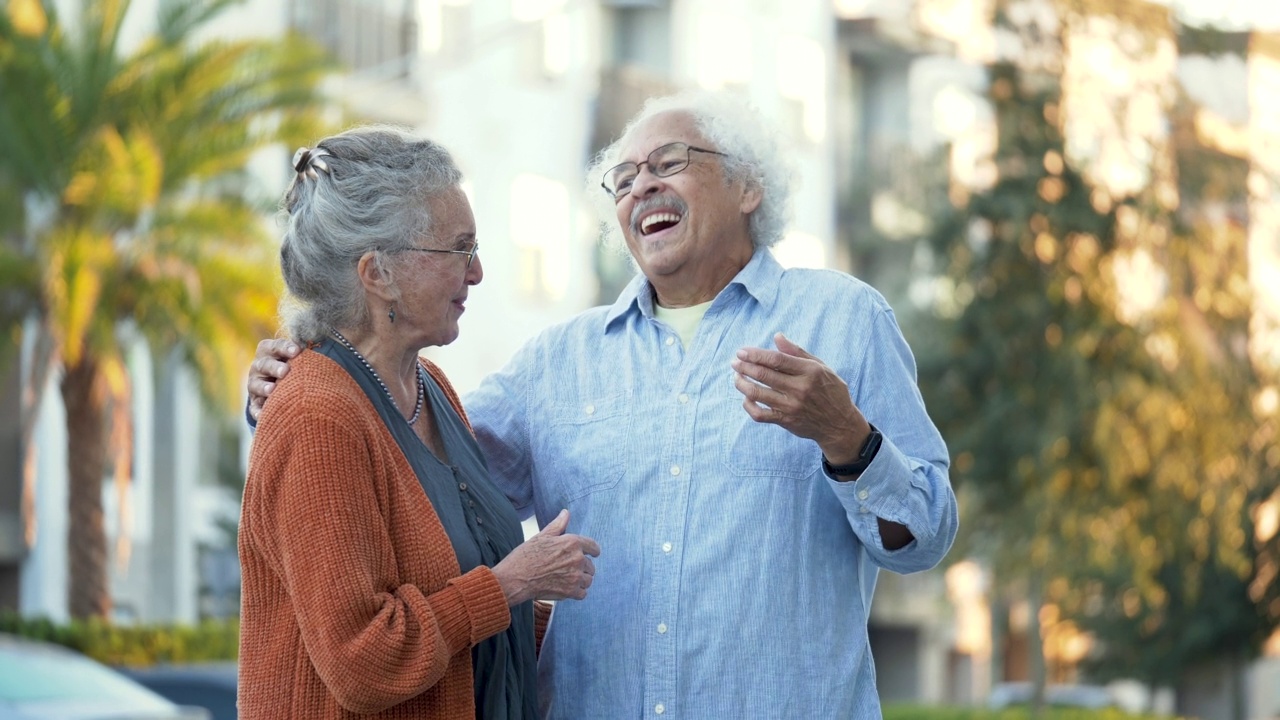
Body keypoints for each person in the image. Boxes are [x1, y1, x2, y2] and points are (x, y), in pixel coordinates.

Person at [248, 93, 958, 718]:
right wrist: (299, 372)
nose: (641, 185)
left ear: (747, 185)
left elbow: (923, 537)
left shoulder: (845, 320)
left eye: (669, 162)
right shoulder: (556, 363)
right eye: (623, 178)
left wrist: (849, 439)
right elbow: (406, 473)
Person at [238, 126, 600, 720]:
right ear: (377, 272)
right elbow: (362, 660)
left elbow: (462, 604)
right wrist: (512, 584)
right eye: (459, 248)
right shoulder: (316, 416)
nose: (478, 271)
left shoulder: (433, 389)